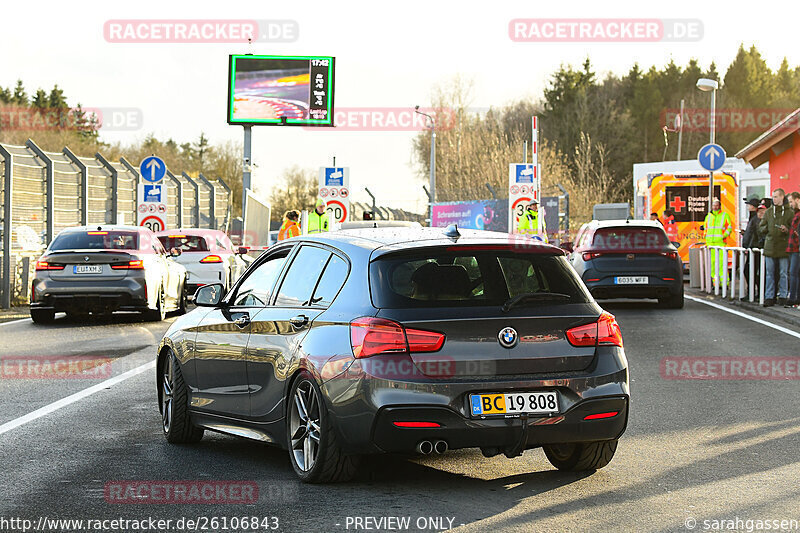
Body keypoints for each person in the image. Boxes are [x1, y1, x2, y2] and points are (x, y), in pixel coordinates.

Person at [759, 188, 794, 307]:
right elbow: (761, 227)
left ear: (782, 197)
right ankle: (769, 296)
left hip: (783, 246)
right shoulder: (769, 212)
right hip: (770, 245)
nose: (773, 199)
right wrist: (767, 229)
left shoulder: (789, 212)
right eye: (773, 197)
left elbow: (793, 229)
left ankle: (783, 296)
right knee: (770, 273)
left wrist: (786, 230)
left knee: (783, 272)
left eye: (775, 197)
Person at [703, 198, 733, 286]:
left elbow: (729, 228)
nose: (715, 207)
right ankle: (715, 284)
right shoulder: (708, 216)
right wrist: (706, 237)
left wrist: (722, 237)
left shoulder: (724, 215)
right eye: (713, 205)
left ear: (720, 206)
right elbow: (706, 228)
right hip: (710, 244)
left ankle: (724, 284)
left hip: (720, 244)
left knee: (722, 264)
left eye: (717, 205)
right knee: (712, 265)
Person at [740, 198, 764, 301]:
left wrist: (749, 245)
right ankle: (754, 293)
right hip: (752, 248)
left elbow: (756, 234)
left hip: (755, 249)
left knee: (751, 271)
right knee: (751, 271)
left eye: (749, 205)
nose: (748, 207)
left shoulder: (756, 218)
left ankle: (754, 293)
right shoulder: (753, 218)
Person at [785, 191, 800, 308]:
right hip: (792, 247)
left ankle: (793, 297)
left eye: (791, 201)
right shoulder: (795, 213)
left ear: (797, 200)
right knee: (793, 273)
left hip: (796, 247)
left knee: (793, 273)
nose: (790, 204)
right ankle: (795, 297)